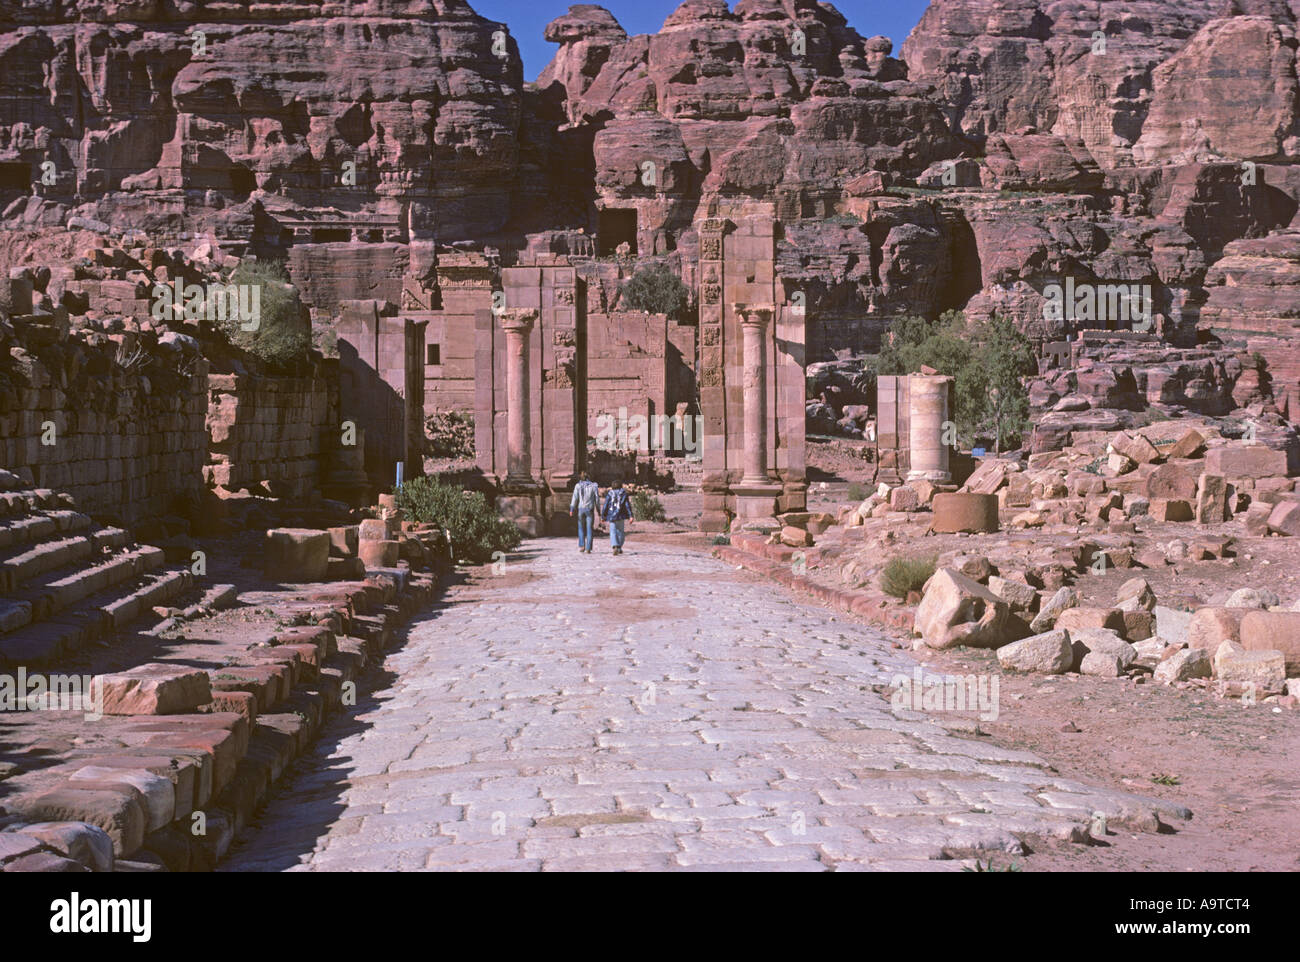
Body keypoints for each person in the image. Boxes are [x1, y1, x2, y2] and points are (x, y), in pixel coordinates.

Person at [569, 471, 600, 553]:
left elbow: (574, 498)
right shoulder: (594, 486)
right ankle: (588, 547)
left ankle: (582, 545)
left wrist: (572, 509)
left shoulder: (578, 486)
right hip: (590, 509)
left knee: (581, 528)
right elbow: (597, 499)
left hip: (581, 509)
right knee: (589, 528)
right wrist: (598, 510)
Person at [600, 480, 634, 555]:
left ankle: (615, 545)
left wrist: (603, 516)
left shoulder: (609, 494)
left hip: (611, 516)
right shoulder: (624, 494)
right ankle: (619, 546)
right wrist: (630, 516)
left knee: (613, 531)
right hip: (621, 515)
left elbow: (605, 505)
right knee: (621, 532)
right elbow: (627, 505)